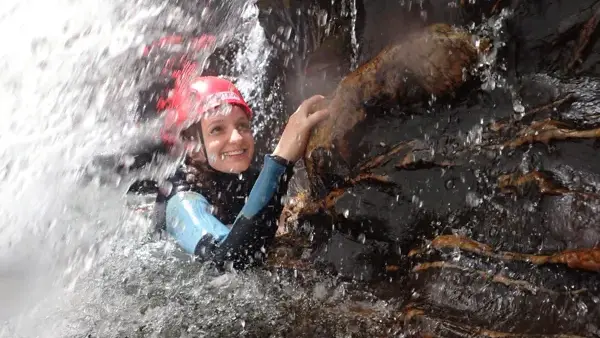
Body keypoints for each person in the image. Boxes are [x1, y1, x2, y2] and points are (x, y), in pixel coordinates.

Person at [153, 75, 329, 269]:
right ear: (190, 145)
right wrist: (281, 158)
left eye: (242, 126)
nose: (237, 138)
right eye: (217, 129)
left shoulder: (246, 178)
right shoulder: (181, 200)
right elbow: (226, 262)